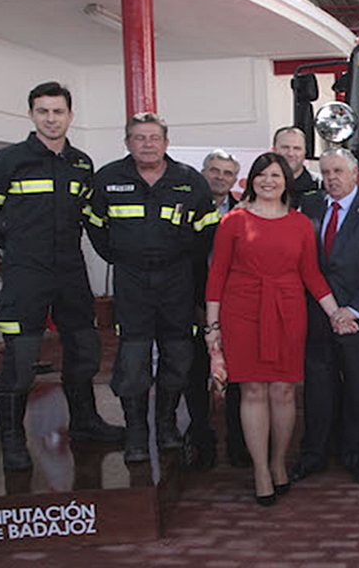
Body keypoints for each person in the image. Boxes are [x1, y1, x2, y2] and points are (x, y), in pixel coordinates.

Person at [0, 81, 123, 471]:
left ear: (70, 116)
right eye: (43, 111)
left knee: (84, 351)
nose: (51, 119)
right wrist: (12, 244)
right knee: (21, 361)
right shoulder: (9, 160)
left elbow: (90, 218)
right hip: (26, 273)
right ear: (31, 115)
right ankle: (12, 439)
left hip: (70, 270)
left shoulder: (81, 163)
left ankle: (85, 423)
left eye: (58, 112)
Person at [204, 152, 356, 506]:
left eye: (275, 175)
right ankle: (259, 469)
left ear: (286, 181)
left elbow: (312, 275)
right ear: (251, 180)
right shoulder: (233, 221)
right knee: (253, 391)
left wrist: (336, 314)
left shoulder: (301, 223)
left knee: (284, 392)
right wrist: (213, 328)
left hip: (287, 311)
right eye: (262, 175)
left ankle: (278, 462)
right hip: (242, 311)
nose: (268, 181)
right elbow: (216, 276)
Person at [86, 112, 218, 462]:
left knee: (178, 357)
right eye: (139, 138)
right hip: (131, 281)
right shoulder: (108, 179)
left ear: (166, 142)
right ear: (128, 142)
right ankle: (136, 435)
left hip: (177, 280)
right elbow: (95, 226)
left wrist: (186, 269)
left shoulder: (189, 181)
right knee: (133, 360)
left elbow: (207, 234)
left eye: (153, 137)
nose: (147, 144)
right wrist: (119, 256)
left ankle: (167, 426)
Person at [291, 149, 359, 485]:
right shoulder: (310, 206)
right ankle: (314, 455)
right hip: (318, 316)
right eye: (325, 172)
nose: (331, 178)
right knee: (318, 391)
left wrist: (351, 311)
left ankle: (356, 456)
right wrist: (331, 311)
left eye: (338, 171)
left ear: (355, 173)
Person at [182, 149, 243, 470]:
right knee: (194, 377)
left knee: (237, 380)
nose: (220, 177)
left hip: (234, 312)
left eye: (227, 173)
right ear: (203, 172)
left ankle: (237, 442)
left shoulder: (244, 212)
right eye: (214, 170)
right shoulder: (185, 207)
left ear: (235, 179)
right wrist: (198, 307)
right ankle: (201, 441)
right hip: (192, 307)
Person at [272, 126, 321, 198]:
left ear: (305, 152)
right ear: (274, 150)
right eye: (285, 147)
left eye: (296, 148)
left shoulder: (320, 185)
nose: (290, 153)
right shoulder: (263, 185)